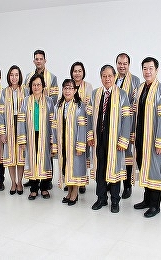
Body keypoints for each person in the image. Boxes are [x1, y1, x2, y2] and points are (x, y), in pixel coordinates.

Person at [87, 65, 131, 213]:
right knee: (100, 168)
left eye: (110, 76)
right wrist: (90, 135)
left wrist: (123, 139)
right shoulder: (95, 94)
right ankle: (101, 198)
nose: (107, 79)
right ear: (101, 77)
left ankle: (115, 200)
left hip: (115, 138)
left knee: (115, 168)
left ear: (114, 77)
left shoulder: (122, 94)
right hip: (99, 137)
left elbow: (127, 118)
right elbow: (88, 116)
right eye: (104, 76)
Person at [133, 57, 161, 218]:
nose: (147, 72)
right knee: (144, 168)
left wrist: (160, 142)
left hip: (154, 139)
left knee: (155, 171)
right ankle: (147, 200)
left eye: (150, 68)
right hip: (141, 137)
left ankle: (155, 205)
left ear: (156, 70)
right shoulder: (140, 88)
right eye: (145, 68)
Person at [23, 49, 58, 189]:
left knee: (46, 154)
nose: (38, 61)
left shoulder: (52, 77)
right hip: (33, 120)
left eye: (41, 59)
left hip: (46, 120)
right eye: (36, 59)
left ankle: (46, 181)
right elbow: (27, 96)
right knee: (32, 153)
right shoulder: (28, 77)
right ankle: (33, 180)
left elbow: (54, 100)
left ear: (45, 60)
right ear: (33, 61)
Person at [17, 74, 54, 200]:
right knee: (32, 160)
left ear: (43, 86)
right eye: (34, 85)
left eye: (39, 84)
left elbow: (52, 122)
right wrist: (22, 139)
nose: (36, 87)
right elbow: (21, 121)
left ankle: (44, 188)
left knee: (44, 161)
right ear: (30, 87)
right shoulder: (26, 101)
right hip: (31, 135)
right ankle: (33, 189)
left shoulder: (49, 101)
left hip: (45, 135)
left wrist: (52, 139)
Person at [52, 79, 88, 206]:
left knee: (75, 167)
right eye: (65, 88)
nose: (68, 91)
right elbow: (54, 126)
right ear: (62, 90)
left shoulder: (80, 106)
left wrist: (80, 145)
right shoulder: (58, 106)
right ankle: (69, 190)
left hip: (75, 142)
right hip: (63, 142)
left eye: (70, 88)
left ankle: (75, 192)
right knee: (66, 166)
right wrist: (55, 144)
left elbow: (83, 127)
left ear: (75, 90)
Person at [0, 65, 28, 195]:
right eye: (11, 75)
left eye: (16, 75)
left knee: (20, 156)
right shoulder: (4, 92)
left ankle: (20, 182)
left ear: (19, 76)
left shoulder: (25, 91)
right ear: (8, 77)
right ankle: (13, 182)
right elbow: (0, 113)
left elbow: (28, 111)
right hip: (9, 125)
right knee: (10, 156)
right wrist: (2, 132)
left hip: (21, 126)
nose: (14, 77)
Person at [115, 53, 140, 199]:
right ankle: (113, 182)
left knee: (127, 156)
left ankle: (127, 186)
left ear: (129, 65)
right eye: (119, 63)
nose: (122, 66)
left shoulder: (135, 81)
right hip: (114, 125)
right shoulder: (113, 78)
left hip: (128, 124)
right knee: (115, 154)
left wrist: (133, 127)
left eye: (125, 63)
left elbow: (135, 105)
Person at [70, 61, 93, 194]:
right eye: (75, 71)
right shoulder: (69, 85)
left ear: (83, 72)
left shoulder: (88, 87)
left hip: (83, 124)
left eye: (79, 71)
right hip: (70, 126)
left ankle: (82, 182)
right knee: (71, 154)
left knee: (82, 154)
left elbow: (89, 106)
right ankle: (71, 180)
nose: (77, 73)